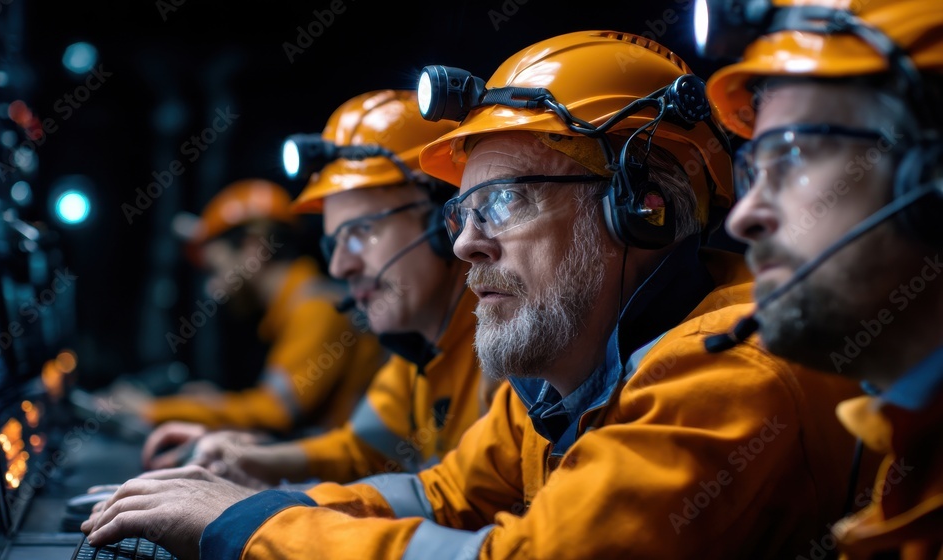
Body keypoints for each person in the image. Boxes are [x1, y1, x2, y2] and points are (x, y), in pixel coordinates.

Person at [82, 31, 875, 559]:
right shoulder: (555, 381)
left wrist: (246, 523)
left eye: (503, 204)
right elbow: (440, 493)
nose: (464, 242)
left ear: (645, 204)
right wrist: (243, 496)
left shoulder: (732, 375)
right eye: (461, 212)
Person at [149, 89, 499, 487]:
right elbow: (361, 450)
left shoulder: (512, 355)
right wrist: (256, 460)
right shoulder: (416, 353)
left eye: (362, 232)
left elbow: (470, 516)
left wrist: (256, 518)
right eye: (333, 243)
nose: (339, 266)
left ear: (447, 220)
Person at [700, 0, 943, 556]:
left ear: (930, 175)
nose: (743, 217)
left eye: (791, 155)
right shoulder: (906, 452)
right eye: (754, 169)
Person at [131, 178, 386, 462]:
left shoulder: (316, 309)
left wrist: (154, 409)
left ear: (253, 248)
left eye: (216, 268)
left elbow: (275, 413)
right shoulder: (299, 307)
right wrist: (210, 403)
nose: (212, 286)